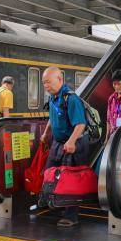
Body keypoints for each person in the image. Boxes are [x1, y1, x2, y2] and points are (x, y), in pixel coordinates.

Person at [39, 67, 89, 228]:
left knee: (70, 178)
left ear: (60, 79)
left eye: (48, 81)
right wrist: (46, 133)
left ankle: (71, 215)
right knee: (50, 172)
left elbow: (81, 124)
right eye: (43, 82)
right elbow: (52, 118)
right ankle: (53, 202)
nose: (45, 85)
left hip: (73, 143)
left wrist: (72, 141)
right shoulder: (53, 98)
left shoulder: (71, 99)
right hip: (57, 143)